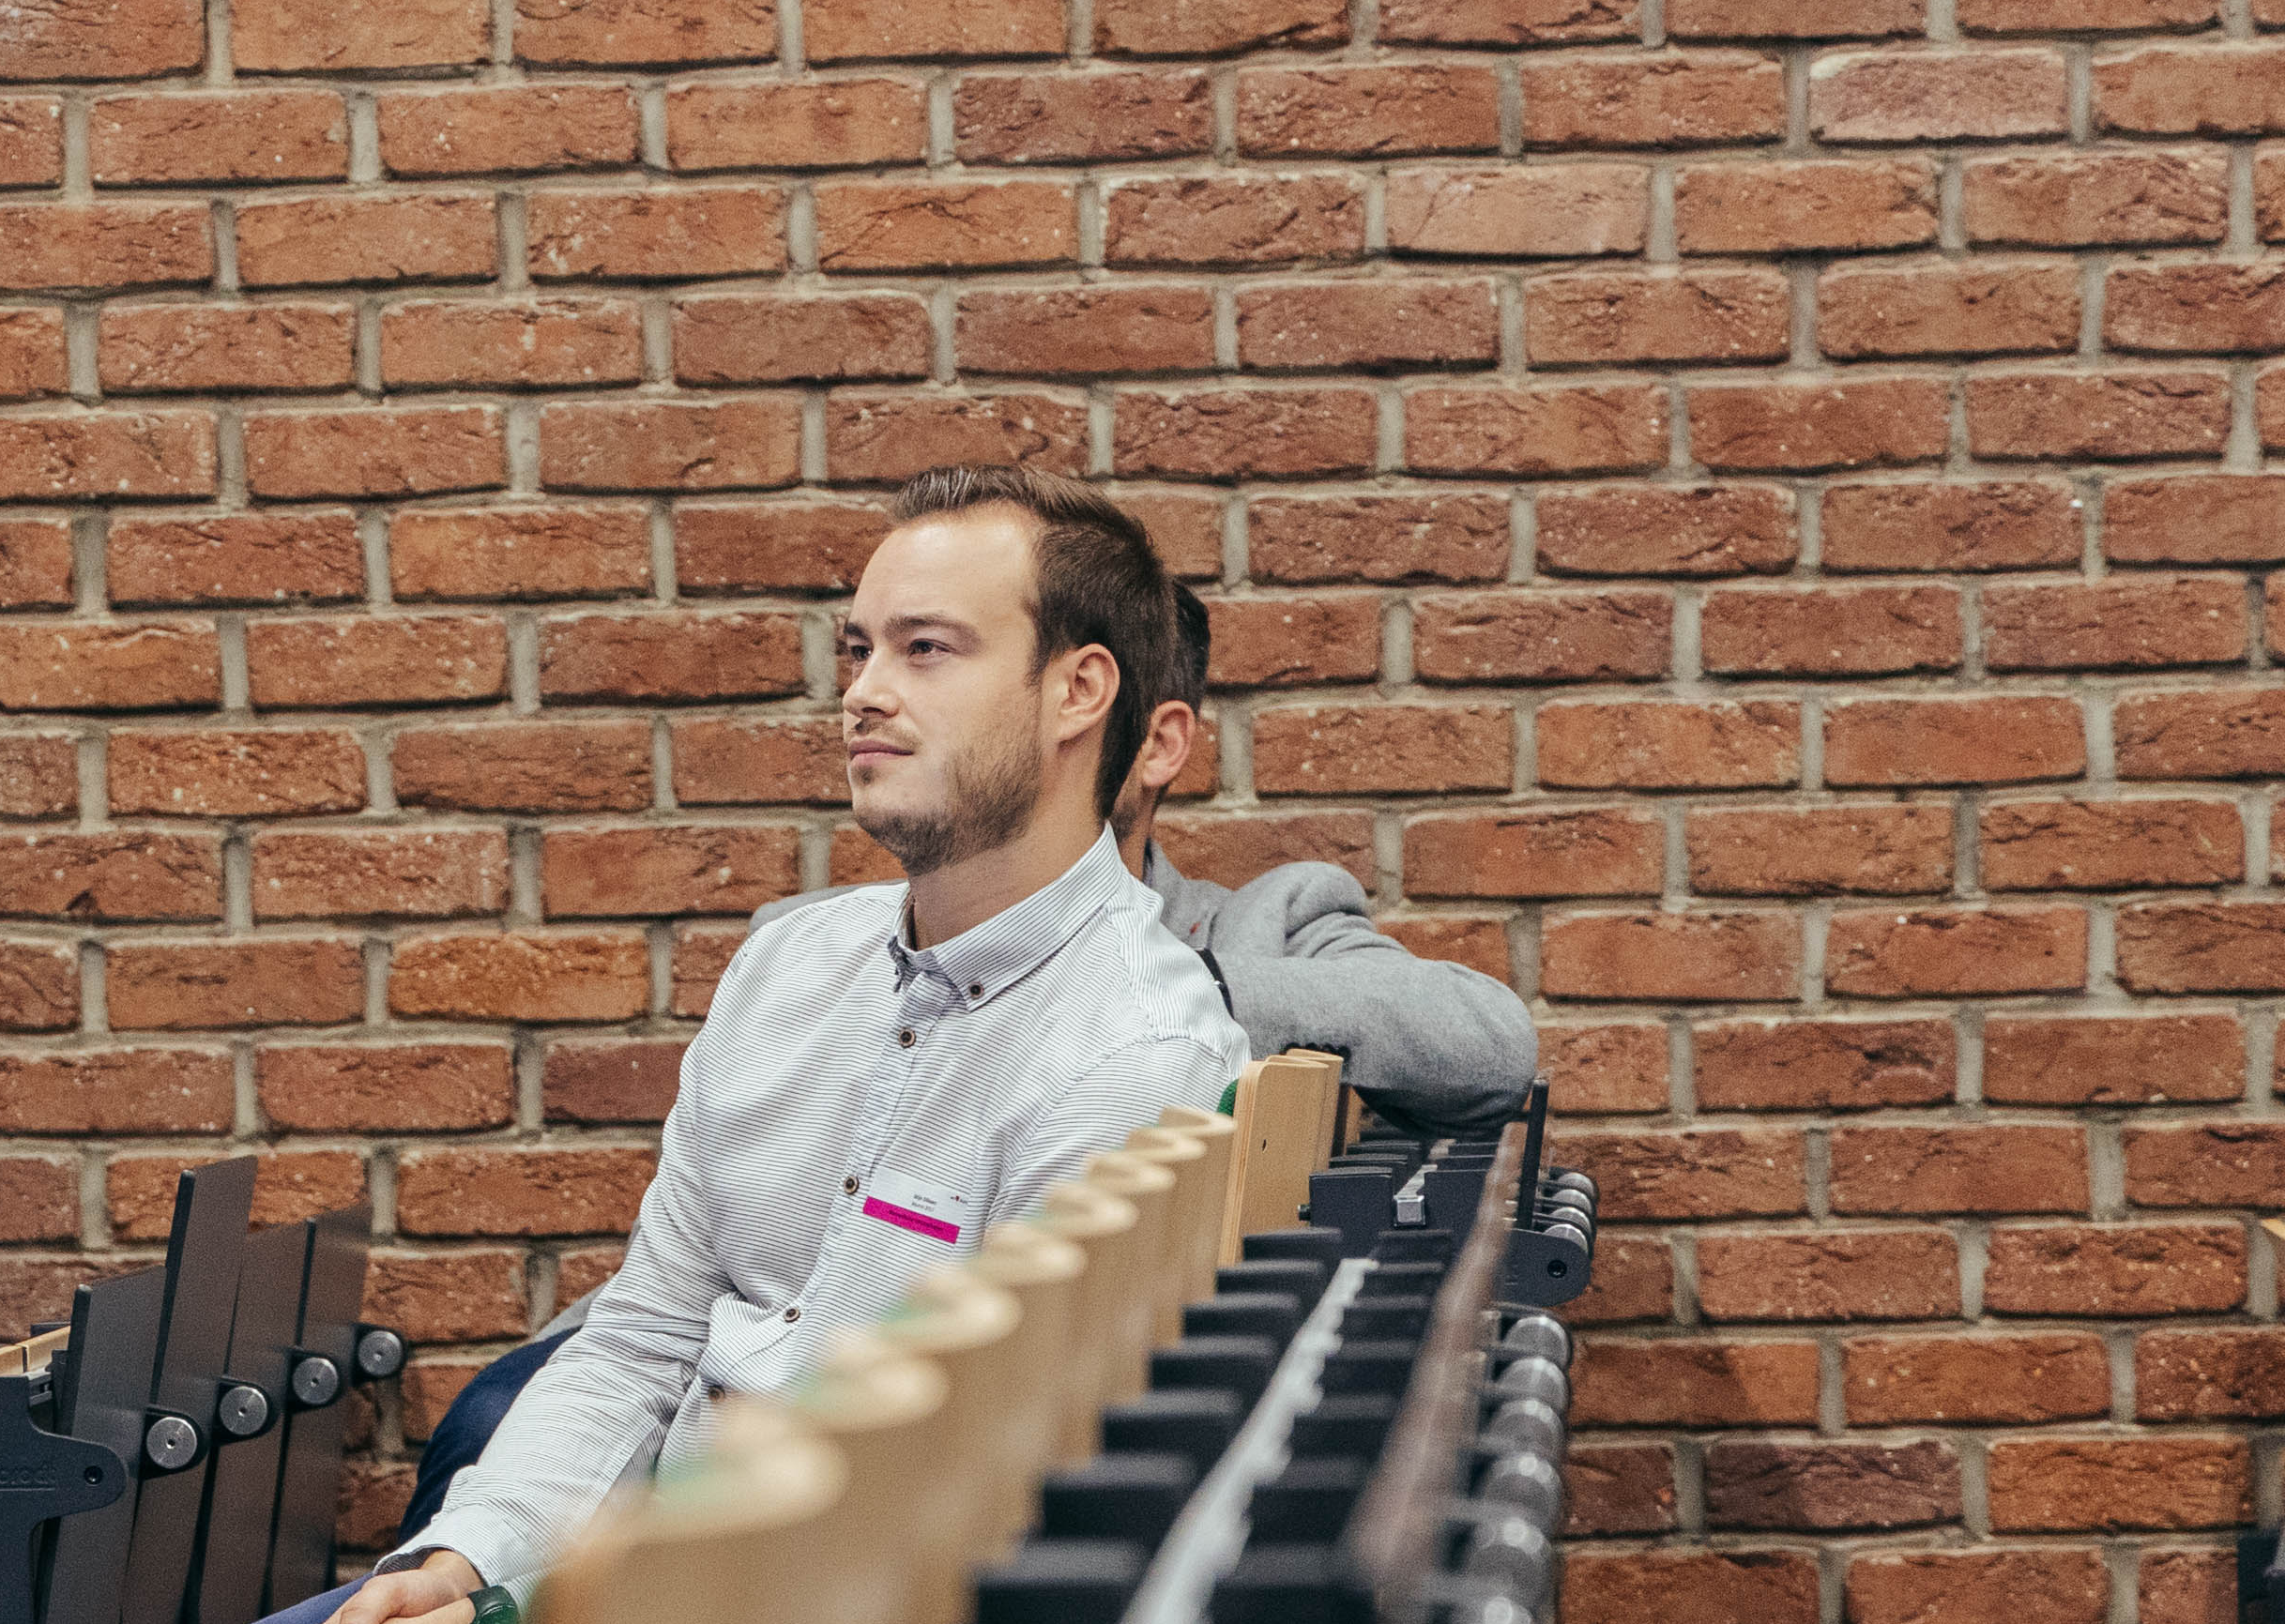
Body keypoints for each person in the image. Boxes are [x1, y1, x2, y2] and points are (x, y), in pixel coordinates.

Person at [38, 471, 1255, 1624]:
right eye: (854, 649)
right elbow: (640, 1338)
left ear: (1077, 693)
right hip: (625, 1609)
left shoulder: (1133, 1051)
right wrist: (457, 1575)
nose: (863, 693)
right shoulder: (791, 966)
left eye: (926, 649)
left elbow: (950, 1517)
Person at [385, 584, 1545, 1537]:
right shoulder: (826, 946)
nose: (873, 694)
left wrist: (1137, 982)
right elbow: (701, 1264)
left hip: (905, 1441)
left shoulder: (1258, 925)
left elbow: (1485, 1041)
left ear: (1148, 741)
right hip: (711, 1350)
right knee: (495, 1420)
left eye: (936, 653)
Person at [1115, 584, 1536, 1130]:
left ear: (1157, 745)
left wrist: (1191, 985)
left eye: (1082, 695)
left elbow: (1494, 1048)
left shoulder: (1268, 920)